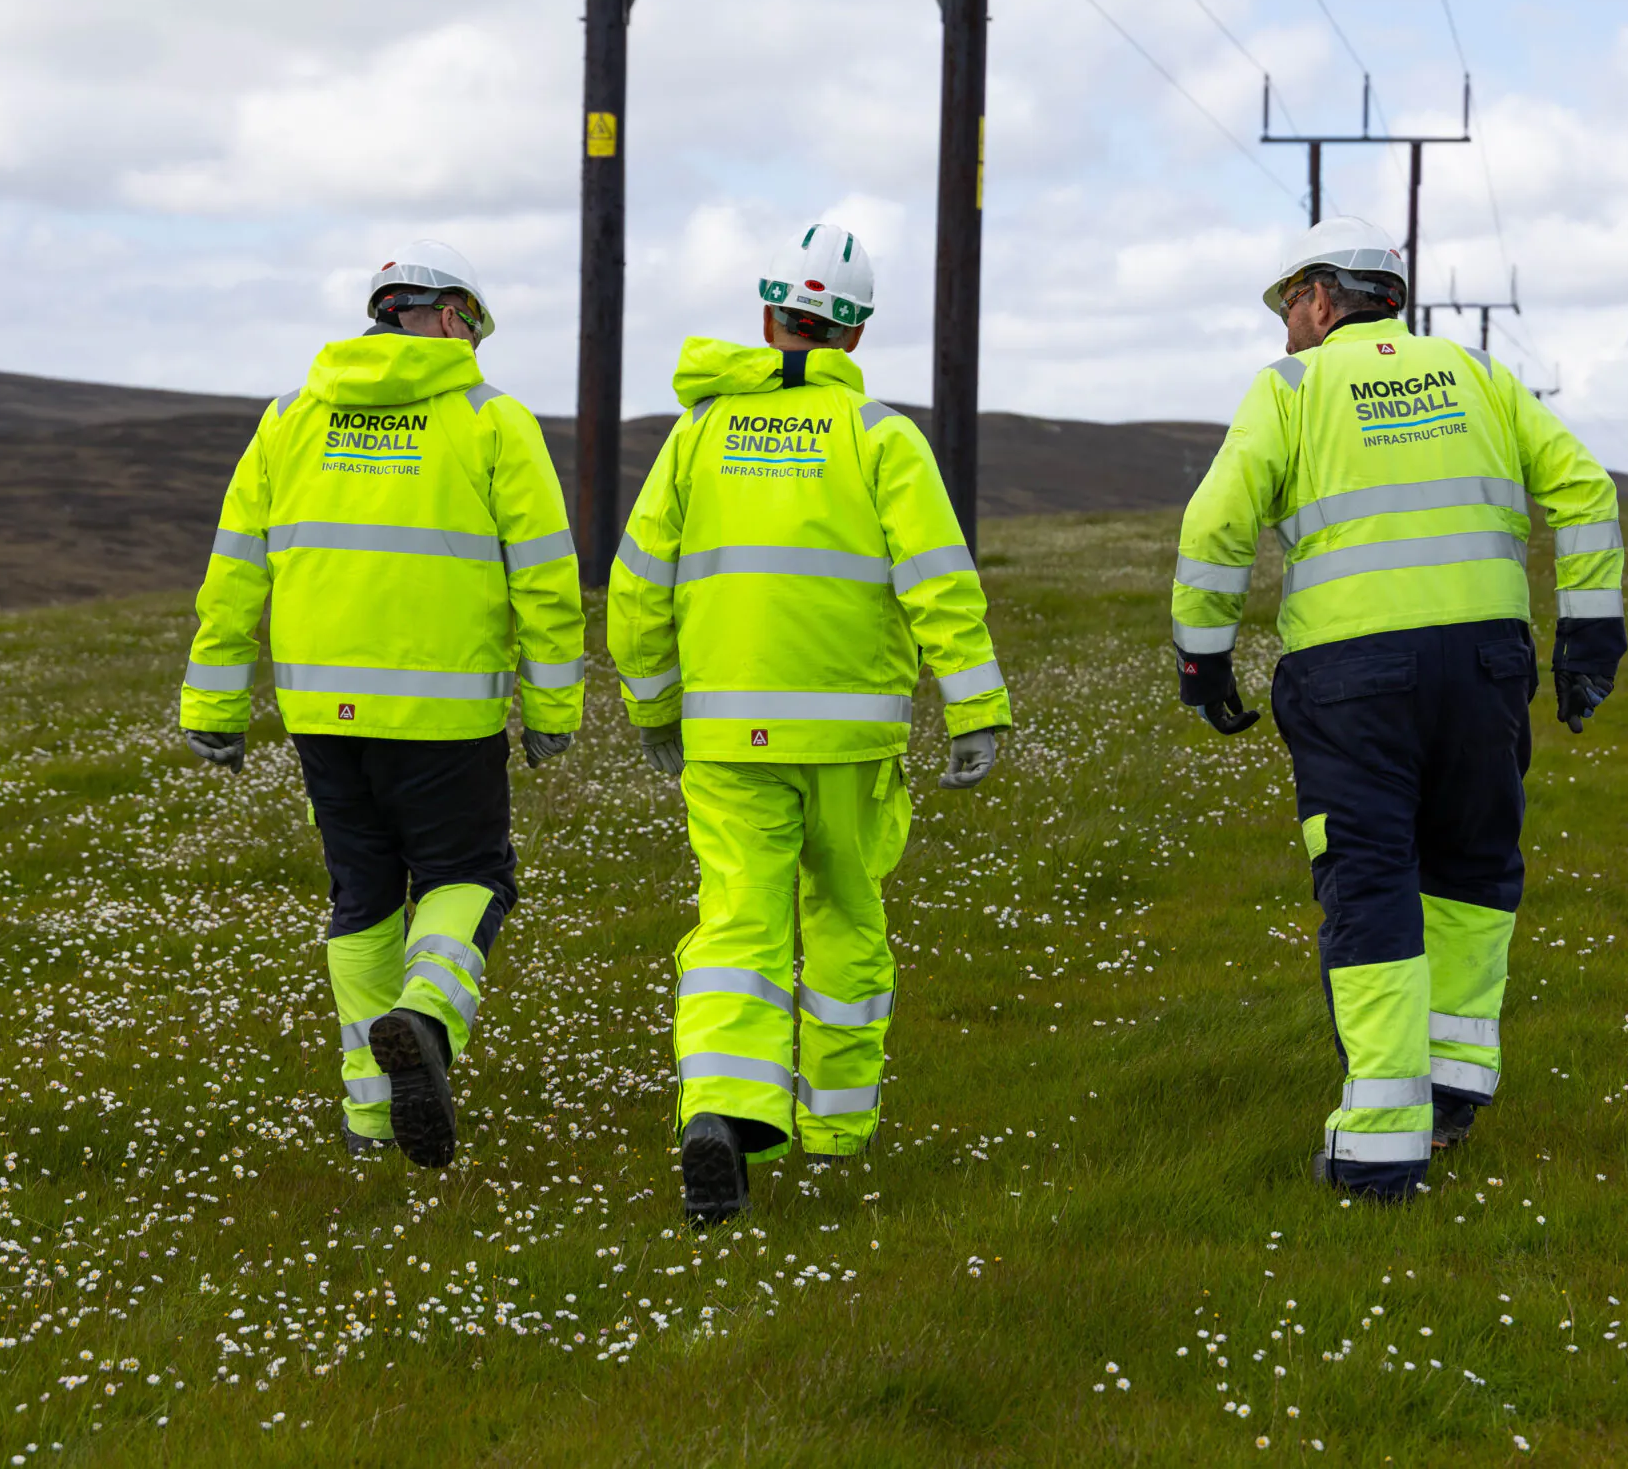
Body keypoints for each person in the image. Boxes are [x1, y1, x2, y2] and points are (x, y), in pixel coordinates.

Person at [1170, 215, 1626, 1202]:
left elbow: (1217, 523)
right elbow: (1584, 487)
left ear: (1323, 300)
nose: (1285, 326)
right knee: (1470, 868)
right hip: (1486, 665)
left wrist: (1203, 657)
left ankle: (1380, 1144)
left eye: (1288, 304)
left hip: (1351, 678)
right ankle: (1452, 1091)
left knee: (1370, 880)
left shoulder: (1292, 388)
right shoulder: (1479, 377)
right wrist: (1589, 634)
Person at [608, 219, 1008, 1224]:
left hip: (726, 734)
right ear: (855, 337)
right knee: (844, 915)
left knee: (736, 917)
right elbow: (939, 586)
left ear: (766, 316)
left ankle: (725, 1108)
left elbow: (638, 584)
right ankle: (834, 1131)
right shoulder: (880, 439)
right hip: (850, 740)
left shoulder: (695, 436)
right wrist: (973, 709)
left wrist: (655, 707)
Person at [176, 239, 586, 1169]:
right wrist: (553, 708)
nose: (476, 345)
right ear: (445, 315)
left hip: (323, 712)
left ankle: (372, 1117)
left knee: (362, 896)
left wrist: (214, 701)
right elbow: (547, 582)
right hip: (445, 713)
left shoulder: (290, 417)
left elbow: (234, 569)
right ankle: (427, 1020)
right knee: (468, 879)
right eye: (473, 325)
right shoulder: (492, 421)